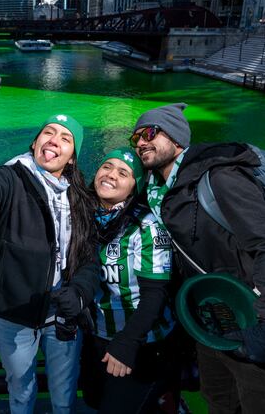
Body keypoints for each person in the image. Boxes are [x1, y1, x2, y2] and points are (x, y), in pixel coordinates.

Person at [130, 103, 265, 414]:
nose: (141, 141)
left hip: (254, 322)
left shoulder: (218, 177)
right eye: (136, 138)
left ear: (177, 137)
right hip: (211, 325)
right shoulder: (157, 191)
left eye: (150, 132)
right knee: (218, 403)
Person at [0, 103, 97, 414]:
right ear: (34, 143)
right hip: (15, 312)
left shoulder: (79, 196)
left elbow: (88, 256)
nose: (54, 140)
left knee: (64, 394)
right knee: (21, 389)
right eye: (48, 133)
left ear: (72, 157)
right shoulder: (12, 179)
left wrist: (78, 293)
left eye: (65, 138)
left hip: (63, 313)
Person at [80, 147, 178, 413]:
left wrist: (127, 342)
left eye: (123, 173)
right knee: (93, 400)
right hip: (95, 334)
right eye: (106, 167)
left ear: (135, 188)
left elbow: (155, 295)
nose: (111, 175)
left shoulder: (145, 226)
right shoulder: (84, 215)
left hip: (141, 341)